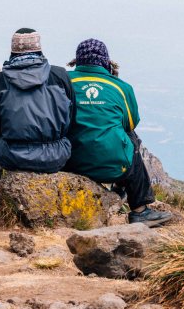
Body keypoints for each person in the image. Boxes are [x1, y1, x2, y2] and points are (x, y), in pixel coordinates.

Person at [65, 38, 172, 227]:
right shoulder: (121, 87)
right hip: (114, 167)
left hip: (69, 164)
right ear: (106, 61)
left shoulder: (64, 81)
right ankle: (139, 210)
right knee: (132, 139)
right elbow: (131, 123)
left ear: (77, 61)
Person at [0, 28, 75, 199]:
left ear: (13, 51)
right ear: (39, 48)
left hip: (12, 157)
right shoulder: (60, 76)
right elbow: (71, 119)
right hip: (55, 157)